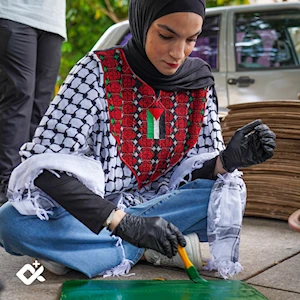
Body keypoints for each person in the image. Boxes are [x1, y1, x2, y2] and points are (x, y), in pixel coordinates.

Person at [0, 0, 276, 279]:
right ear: (141, 23)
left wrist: (226, 160)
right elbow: (45, 169)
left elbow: (191, 175)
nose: (178, 53)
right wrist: (121, 222)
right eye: (166, 36)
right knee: (11, 222)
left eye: (191, 39)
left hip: (162, 205)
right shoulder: (96, 72)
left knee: (228, 193)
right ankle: (143, 249)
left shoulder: (198, 81)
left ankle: (90, 251)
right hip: (98, 208)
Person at [0, 1, 67, 204]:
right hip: (14, 12)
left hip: (52, 19)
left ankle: (31, 184)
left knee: (42, 105)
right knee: (20, 96)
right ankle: (7, 187)